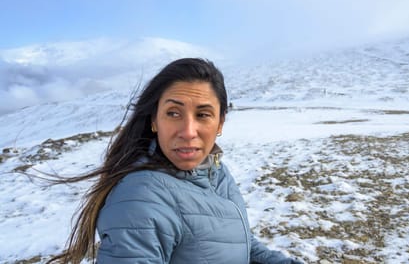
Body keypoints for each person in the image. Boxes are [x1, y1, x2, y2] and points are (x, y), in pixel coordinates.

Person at [47, 58, 302, 264]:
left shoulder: (215, 170)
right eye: (173, 113)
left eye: (203, 114)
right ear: (154, 120)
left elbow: (238, 241)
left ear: (220, 123)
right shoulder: (142, 197)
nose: (188, 131)